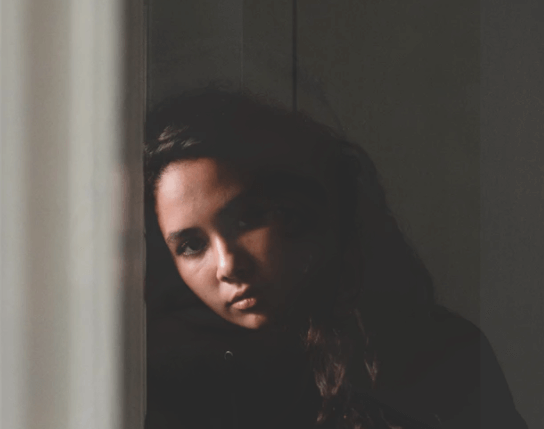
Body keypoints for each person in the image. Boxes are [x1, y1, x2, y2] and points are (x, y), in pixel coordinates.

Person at [142, 88, 527, 429]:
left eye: (248, 219)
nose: (228, 265)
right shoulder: (163, 388)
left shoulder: (442, 355)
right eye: (192, 246)